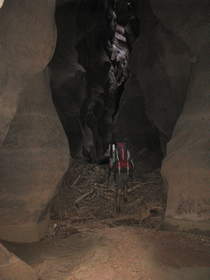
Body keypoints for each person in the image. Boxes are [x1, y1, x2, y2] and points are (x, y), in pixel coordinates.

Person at [107, 142, 134, 212]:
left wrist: (111, 169)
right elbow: (131, 160)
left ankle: (118, 206)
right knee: (125, 184)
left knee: (118, 189)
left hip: (119, 172)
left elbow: (112, 161)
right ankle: (125, 196)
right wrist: (132, 169)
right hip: (126, 171)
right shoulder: (127, 151)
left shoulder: (115, 151)